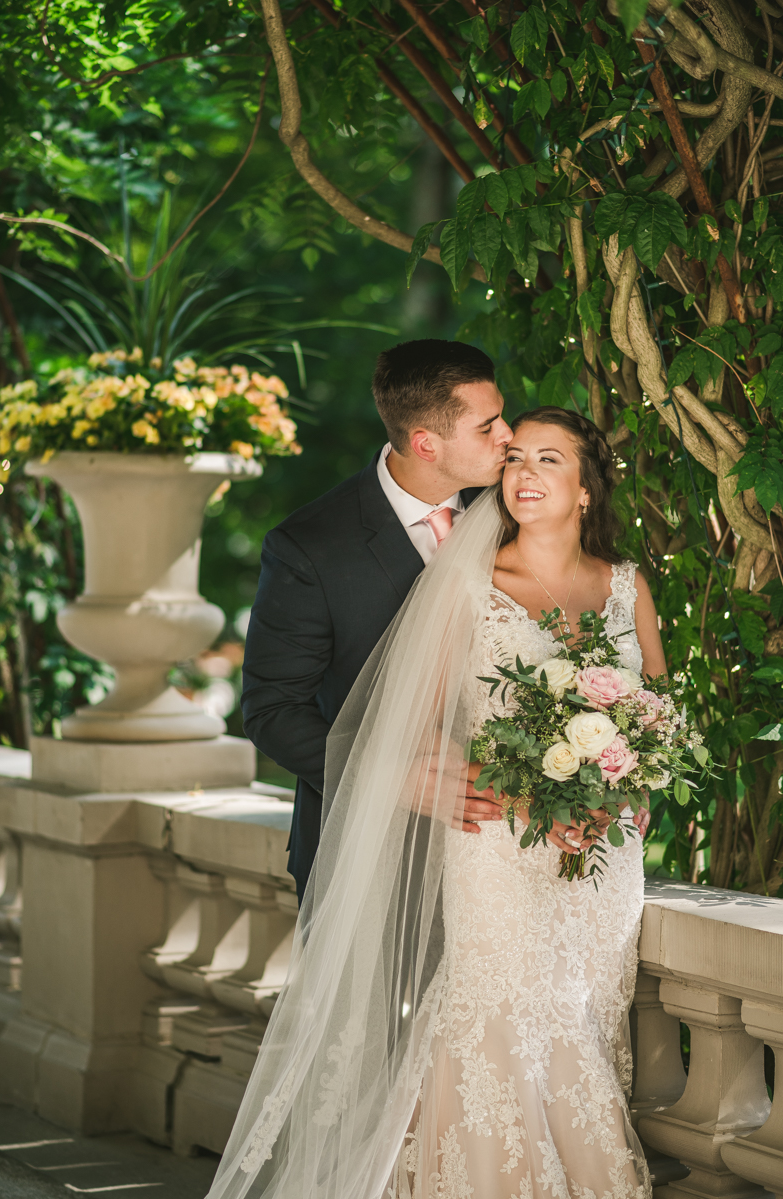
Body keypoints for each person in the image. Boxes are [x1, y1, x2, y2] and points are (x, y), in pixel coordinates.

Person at [210, 406, 662, 1199]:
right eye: (513, 455)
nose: (521, 472)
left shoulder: (628, 586)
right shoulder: (467, 584)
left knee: (581, 1025)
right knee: (497, 1021)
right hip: (495, 840)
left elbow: (657, 722)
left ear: (586, 488)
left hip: (601, 860)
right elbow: (418, 731)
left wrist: (626, 796)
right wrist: (534, 795)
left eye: (547, 460)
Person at [242, 338, 513, 903]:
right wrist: (392, 779)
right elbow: (272, 710)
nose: (508, 435)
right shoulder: (310, 546)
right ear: (426, 444)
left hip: (507, 851)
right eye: (487, 427)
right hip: (364, 858)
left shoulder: (516, 510)